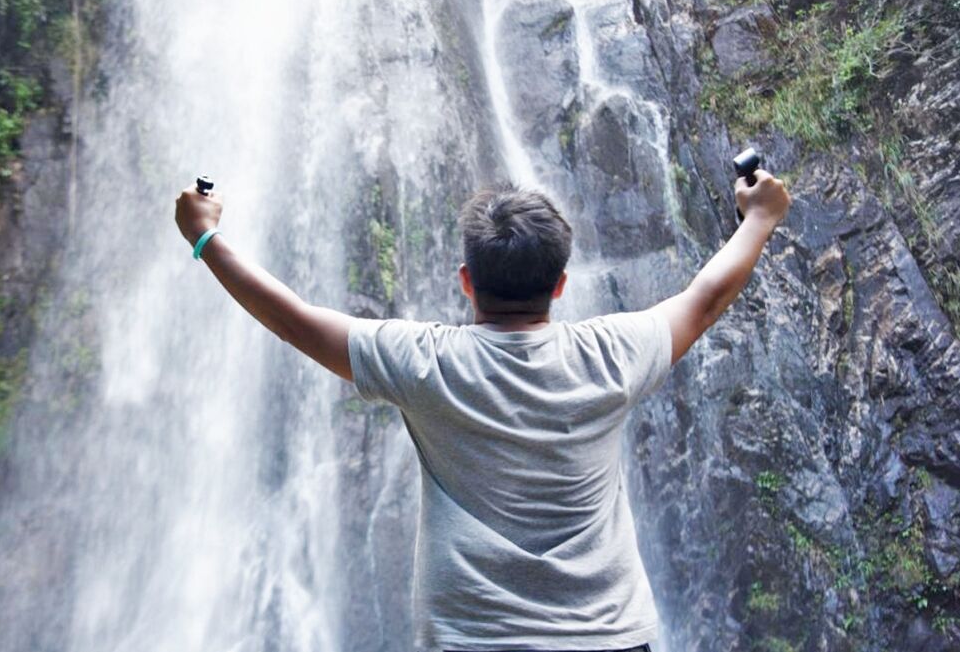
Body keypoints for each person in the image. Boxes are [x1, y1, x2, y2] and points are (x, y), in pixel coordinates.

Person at [174, 171, 791, 652]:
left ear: (467, 281)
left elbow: (294, 321)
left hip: (476, 639)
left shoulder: (426, 364)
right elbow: (705, 299)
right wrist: (759, 218)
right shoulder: (612, 353)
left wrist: (206, 237)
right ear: (559, 285)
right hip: (608, 637)